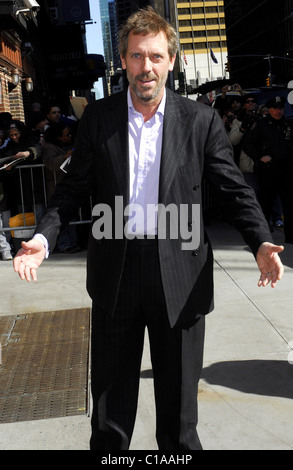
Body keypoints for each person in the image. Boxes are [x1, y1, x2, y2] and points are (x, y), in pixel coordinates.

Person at [13, 7, 284, 450]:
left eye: (156, 56)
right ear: (123, 60)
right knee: (109, 424)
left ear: (171, 61)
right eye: (137, 57)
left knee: (179, 426)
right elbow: (73, 187)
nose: (146, 67)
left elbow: (233, 189)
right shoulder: (99, 119)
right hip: (115, 278)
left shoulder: (200, 121)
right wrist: (42, 238)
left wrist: (259, 240)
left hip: (180, 277)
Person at [242, 96, 293, 243]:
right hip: (268, 171)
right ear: (269, 109)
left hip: (286, 170)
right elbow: (248, 143)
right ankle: (263, 237)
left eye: (281, 108)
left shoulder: (288, 124)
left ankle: (290, 236)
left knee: (289, 204)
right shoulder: (261, 125)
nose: (278, 111)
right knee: (266, 205)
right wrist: (259, 157)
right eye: (275, 108)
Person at [42, 122, 80, 253]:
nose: (69, 137)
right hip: (56, 186)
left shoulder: (67, 144)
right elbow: (51, 163)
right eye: (65, 135)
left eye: (69, 134)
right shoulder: (48, 147)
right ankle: (64, 244)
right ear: (57, 137)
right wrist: (65, 156)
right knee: (58, 217)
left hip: (70, 185)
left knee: (71, 215)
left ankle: (73, 242)